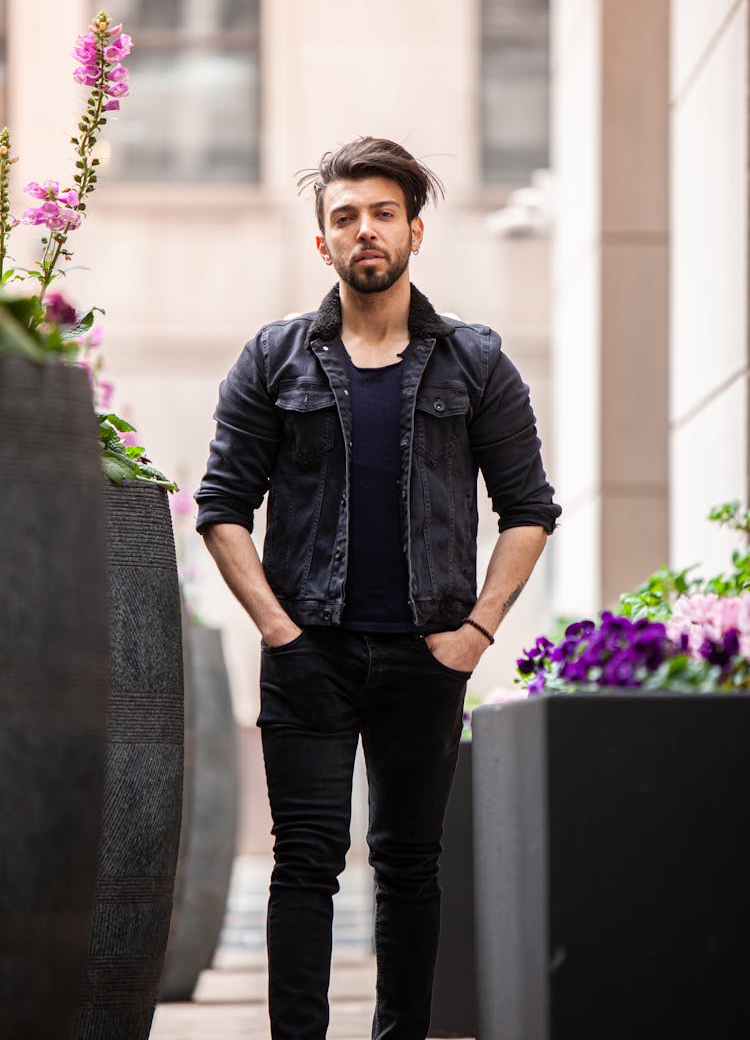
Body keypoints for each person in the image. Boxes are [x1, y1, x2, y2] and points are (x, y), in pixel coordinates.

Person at [195, 136, 561, 1040]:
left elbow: (528, 508)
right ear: (323, 241)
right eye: (345, 216)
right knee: (305, 863)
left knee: (408, 865)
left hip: (426, 653)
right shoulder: (273, 359)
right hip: (307, 656)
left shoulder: (476, 363)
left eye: (382, 213)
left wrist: (476, 630)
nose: (365, 230)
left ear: (415, 230)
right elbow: (221, 507)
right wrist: (281, 632)